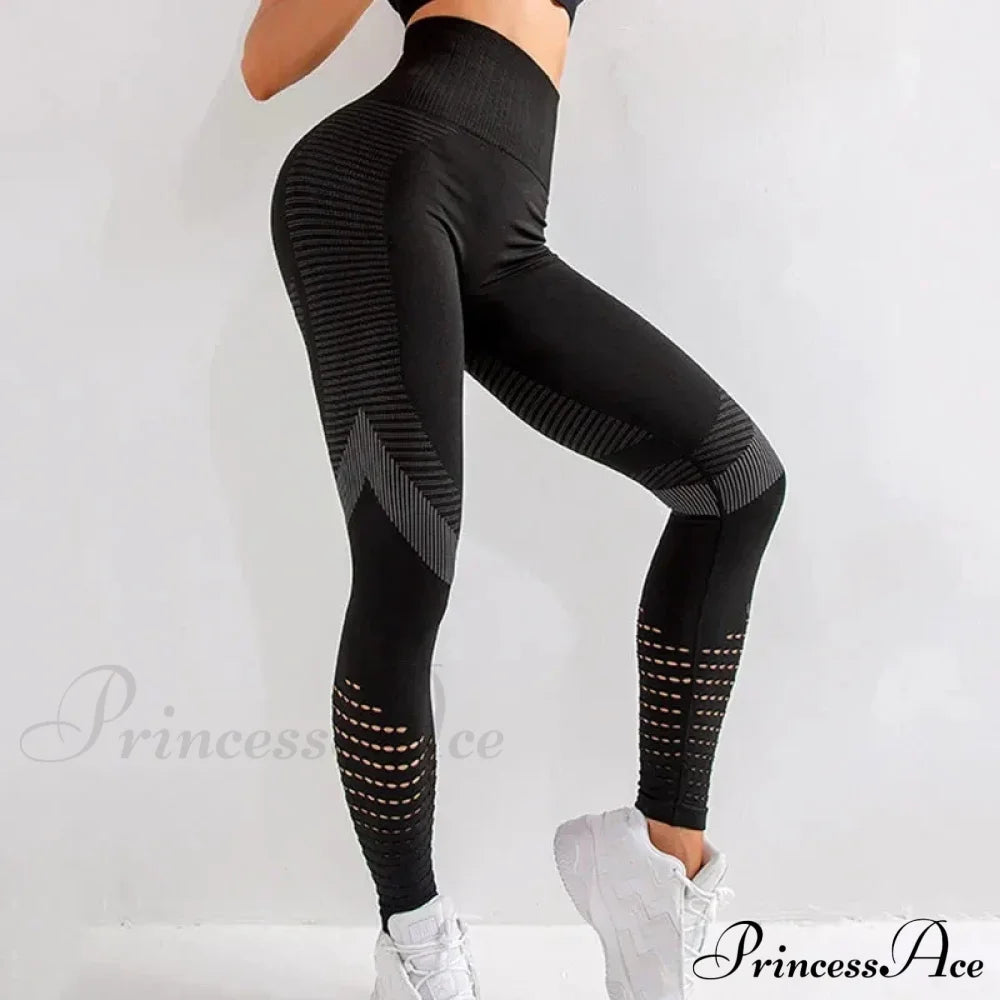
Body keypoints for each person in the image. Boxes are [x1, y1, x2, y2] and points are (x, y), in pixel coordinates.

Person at [244, 1, 787, 997]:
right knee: (407, 574)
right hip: (375, 178)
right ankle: (415, 943)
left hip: (505, 228)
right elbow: (263, 64)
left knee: (736, 486)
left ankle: (655, 857)